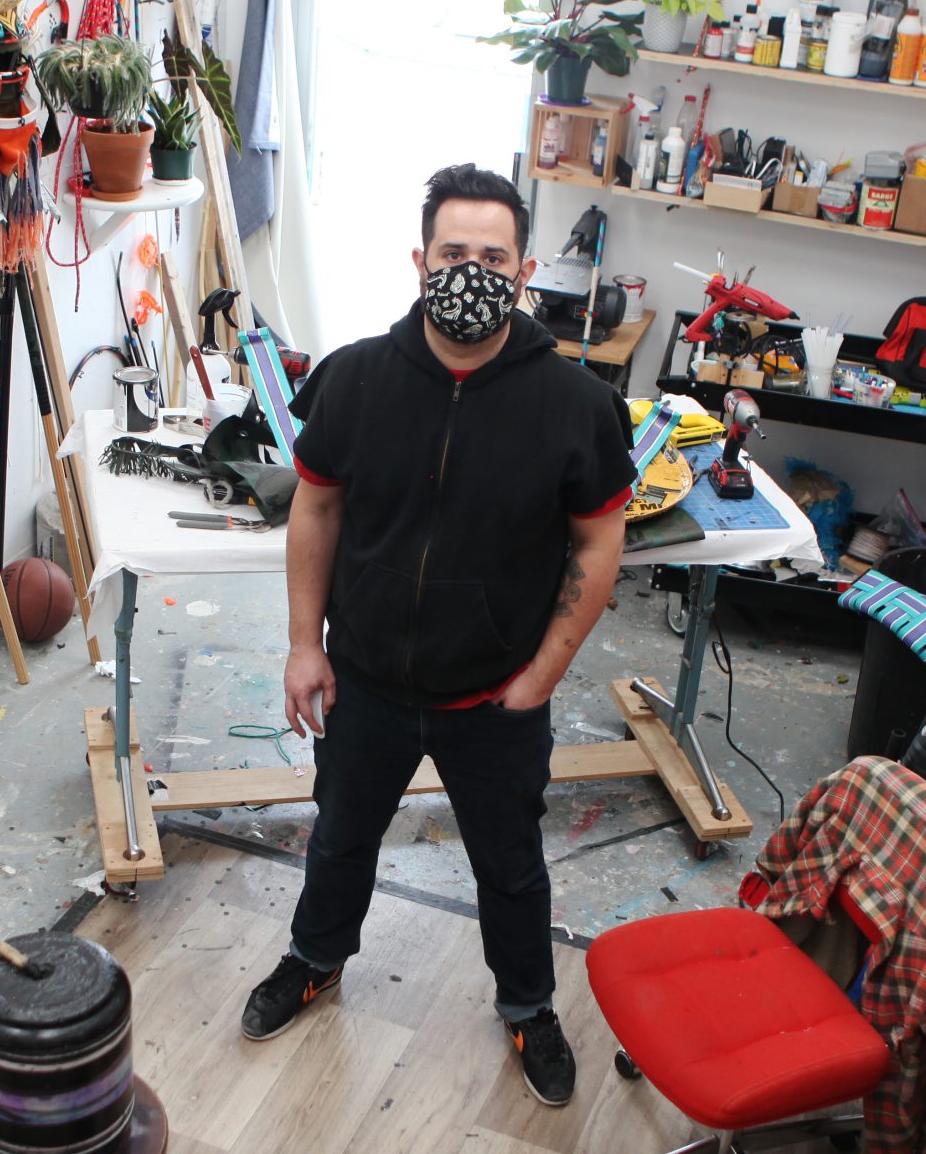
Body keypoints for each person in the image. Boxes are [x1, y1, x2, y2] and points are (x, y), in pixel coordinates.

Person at [239, 164, 636, 1106]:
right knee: (339, 838)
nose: (472, 271)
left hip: (494, 692)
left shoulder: (575, 407)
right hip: (368, 680)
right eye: (453, 253)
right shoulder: (357, 378)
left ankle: (529, 1004)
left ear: (525, 269)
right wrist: (304, 642)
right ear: (419, 260)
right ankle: (314, 957)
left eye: (492, 256)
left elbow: (598, 540)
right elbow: (316, 509)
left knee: (509, 863)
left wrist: (542, 673)